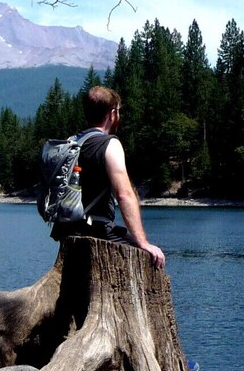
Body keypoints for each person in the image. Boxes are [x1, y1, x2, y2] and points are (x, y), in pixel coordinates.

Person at [50, 86, 166, 270]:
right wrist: (143, 242)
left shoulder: (72, 142)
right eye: (118, 112)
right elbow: (124, 194)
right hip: (95, 228)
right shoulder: (110, 144)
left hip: (66, 229)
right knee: (148, 259)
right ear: (112, 114)